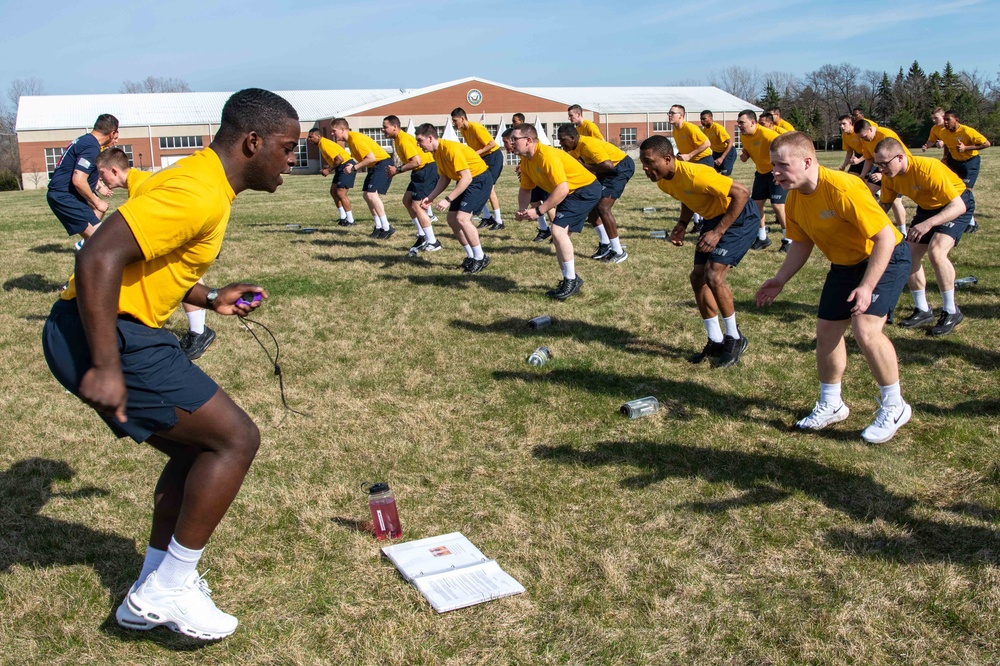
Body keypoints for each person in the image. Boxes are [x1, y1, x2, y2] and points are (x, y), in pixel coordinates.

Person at [42, 88, 300, 639]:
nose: (292, 159)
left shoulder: (205, 183)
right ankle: (168, 587)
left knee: (195, 450)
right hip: (106, 332)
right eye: (287, 147)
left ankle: (151, 591)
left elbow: (149, 258)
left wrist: (210, 299)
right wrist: (107, 364)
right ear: (253, 142)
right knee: (234, 440)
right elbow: (98, 256)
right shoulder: (199, 192)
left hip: (116, 327)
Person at [756, 132, 912, 444]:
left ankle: (895, 405)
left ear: (807, 161)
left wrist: (868, 286)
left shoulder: (843, 186)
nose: (775, 172)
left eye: (782, 165)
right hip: (844, 265)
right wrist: (780, 279)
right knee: (827, 331)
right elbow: (801, 243)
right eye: (774, 165)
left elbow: (883, 237)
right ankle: (832, 404)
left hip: (885, 257)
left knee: (865, 329)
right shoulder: (796, 198)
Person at [639, 135, 760, 367]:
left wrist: (718, 232)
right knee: (697, 276)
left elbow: (742, 194)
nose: (645, 167)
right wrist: (682, 225)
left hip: (740, 217)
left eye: (648, 162)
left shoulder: (697, 174)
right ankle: (715, 340)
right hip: (714, 219)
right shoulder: (664, 180)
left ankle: (735, 338)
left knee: (714, 275)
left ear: (667, 159)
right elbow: (686, 196)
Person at [94, 149, 218, 361]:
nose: (101, 179)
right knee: (186, 273)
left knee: (178, 274)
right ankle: (198, 331)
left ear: (114, 171)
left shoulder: (140, 188)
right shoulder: (139, 182)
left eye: (101, 173)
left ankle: (199, 332)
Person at [875, 137, 973, 335]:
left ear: (900, 157)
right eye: (878, 164)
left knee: (936, 252)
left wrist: (927, 224)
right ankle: (923, 309)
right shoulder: (889, 177)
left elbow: (958, 206)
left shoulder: (928, 169)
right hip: (927, 208)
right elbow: (884, 205)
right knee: (908, 256)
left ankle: (951, 310)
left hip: (955, 204)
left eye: (884, 163)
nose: (881, 169)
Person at [510, 123, 602, 300]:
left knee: (558, 231)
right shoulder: (526, 160)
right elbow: (525, 189)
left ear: (528, 140)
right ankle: (570, 279)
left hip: (585, 189)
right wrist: (522, 210)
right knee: (559, 233)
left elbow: (562, 189)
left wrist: (539, 211)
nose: (511, 142)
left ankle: (571, 280)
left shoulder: (546, 156)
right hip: (571, 192)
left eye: (515, 139)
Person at [414, 124, 493, 273]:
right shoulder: (437, 152)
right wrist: (430, 197)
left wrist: (447, 199)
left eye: (420, 140)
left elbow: (467, 178)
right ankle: (471, 256)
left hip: (478, 180)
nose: (418, 144)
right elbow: (444, 178)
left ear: (430, 138)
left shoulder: (450, 149)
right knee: (452, 219)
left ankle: (481, 257)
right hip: (466, 180)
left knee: (462, 218)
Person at [557, 124, 633, 263]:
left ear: (573, 137)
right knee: (591, 205)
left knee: (603, 207)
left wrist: (584, 166)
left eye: (562, 140)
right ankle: (605, 244)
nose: (561, 144)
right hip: (604, 170)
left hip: (619, 167)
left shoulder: (588, 144)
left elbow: (608, 165)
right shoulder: (573, 150)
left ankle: (619, 251)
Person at [46, 114, 119, 250]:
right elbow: (78, 180)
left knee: (96, 241)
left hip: (65, 196)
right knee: (102, 243)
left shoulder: (85, 140)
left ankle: (84, 247)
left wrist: (97, 187)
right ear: (111, 133)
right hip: (65, 197)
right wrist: (97, 201)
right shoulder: (91, 146)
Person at [382, 115, 442, 254]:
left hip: (427, 170)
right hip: (420, 172)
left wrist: (396, 170)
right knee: (407, 200)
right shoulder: (398, 139)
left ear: (395, 127)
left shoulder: (403, 140)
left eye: (385, 127)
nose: (383, 130)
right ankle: (422, 235)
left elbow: (417, 161)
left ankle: (433, 241)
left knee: (417, 206)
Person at [330, 118, 394, 238]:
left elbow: (371, 158)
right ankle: (378, 227)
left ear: (343, 129)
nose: (332, 134)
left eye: (334, 131)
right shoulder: (351, 140)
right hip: (375, 166)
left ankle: (387, 227)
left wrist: (354, 168)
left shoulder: (355, 139)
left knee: (371, 195)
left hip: (383, 164)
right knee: (366, 195)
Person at [737, 110, 788, 251]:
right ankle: (762, 237)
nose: (739, 126)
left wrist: (780, 172)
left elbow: (785, 153)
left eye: (742, 122)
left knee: (777, 206)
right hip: (761, 173)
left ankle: (788, 239)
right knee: (756, 205)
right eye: (738, 123)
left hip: (775, 172)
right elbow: (749, 149)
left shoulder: (769, 135)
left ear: (753, 122)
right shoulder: (744, 136)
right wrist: (745, 155)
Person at [450, 108, 504, 230]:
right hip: (481, 158)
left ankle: (499, 220)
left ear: (462, 118)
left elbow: (492, 144)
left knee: (489, 188)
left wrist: (475, 154)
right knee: (478, 186)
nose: (453, 123)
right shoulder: (463, 131)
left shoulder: (476, 127)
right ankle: (487, 217)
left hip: (493, 157)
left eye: (455, 120)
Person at [940, 108, 990, 233]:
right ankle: (960, 218)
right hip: (954, 162)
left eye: (948, 120)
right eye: (944, 119)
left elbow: (987, 144)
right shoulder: (943, 132)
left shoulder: (968, 131)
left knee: (965, 192)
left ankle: (971, 224)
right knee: (952, 190)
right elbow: (946, 143)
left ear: (956, 120)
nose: (945, 122)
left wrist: (966, 147)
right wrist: (945, 156)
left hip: (970, 162)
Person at [854, 120, 908, 234]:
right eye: (861, 138)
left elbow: (896, 158)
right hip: (882, 167)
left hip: (896, 168)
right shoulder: (865, 139)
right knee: (867, 192)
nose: (863, 140)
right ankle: (874, 223)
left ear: (870, 129)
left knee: (895, 200)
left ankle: (903, 232)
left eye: (864, 136)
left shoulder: (885, 135)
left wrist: (882, 174)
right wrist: (862, 175)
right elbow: (868, 158)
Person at [502, 127, 553, 242]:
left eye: (507, 142)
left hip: (544, 179)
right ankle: (544, 229)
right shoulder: (522, 154)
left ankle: (556, 231)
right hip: (533, 177)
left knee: (548, 203)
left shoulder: (542, 153)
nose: (507, 145)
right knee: (534, 200)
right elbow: (525, 189)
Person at [307, 127, 356, 226]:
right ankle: (343, 218)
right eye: (308, 137)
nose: (309, 139)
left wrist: (328, 170)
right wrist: (329, 166)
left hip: (346, 166)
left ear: (318, 136)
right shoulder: (322, 144)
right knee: (333, 192)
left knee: (341, 193)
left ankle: (350, 220)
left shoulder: (324, 144)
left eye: (311, 137)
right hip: (340, 167)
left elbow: (339, 159)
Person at [700, 110, 736, 176]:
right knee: (711, 171)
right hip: (716, 153)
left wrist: (722, 158)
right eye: (701, 119)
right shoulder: (704, 130)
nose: (702, 121)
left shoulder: (718, 128)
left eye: (704, 119)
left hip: (727, 152)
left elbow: (730, 143)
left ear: (710, 118)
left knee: (724, 174)